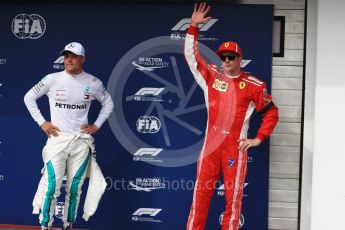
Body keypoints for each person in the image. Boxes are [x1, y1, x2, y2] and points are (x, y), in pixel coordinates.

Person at [184, 3, 279, 230]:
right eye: (223, 57)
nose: (226, 61)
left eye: (231, 57)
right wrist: (193, 27)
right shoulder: (212, 77)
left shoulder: (254, 85)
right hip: (210, 148)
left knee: (233, 201)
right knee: (200, 196)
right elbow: (192, 57)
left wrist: (258, 138)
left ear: (239, 58)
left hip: (234, 149)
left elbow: (271, 112)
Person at [24, 42, 114, 230]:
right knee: (51, 189)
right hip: (57, 141)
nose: (69, 59)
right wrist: (42, 122)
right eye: (66, 56)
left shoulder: (93, 82)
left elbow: (109, 103)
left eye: (73, 56)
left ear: (83, 59)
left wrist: (96, 125)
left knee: (74, 190)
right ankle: (45, 226)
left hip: (81, 143)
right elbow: (28, 97)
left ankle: (68, 225)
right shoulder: (51, 79)